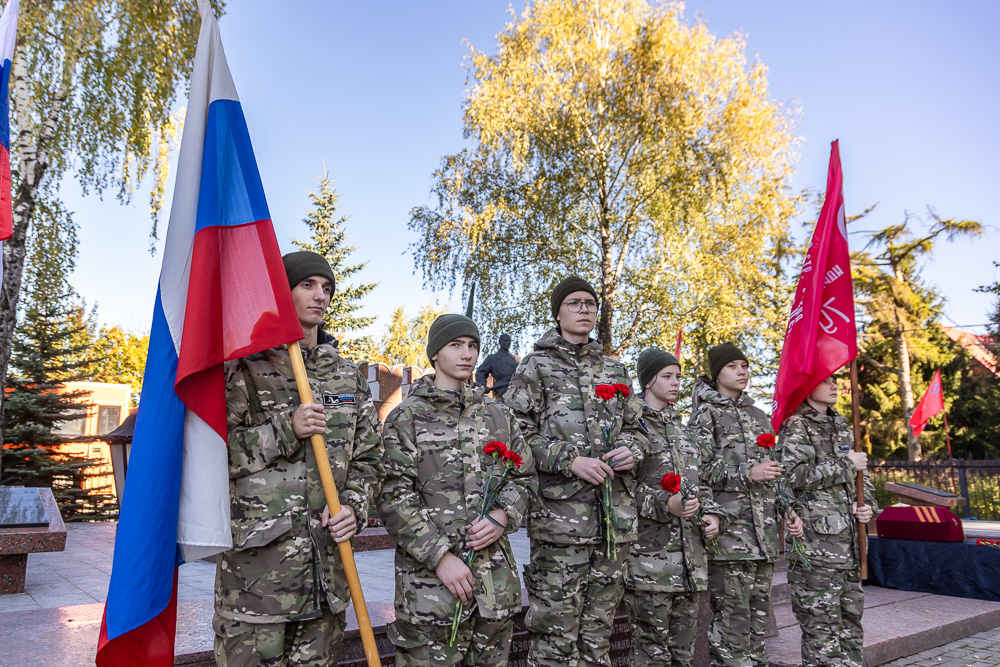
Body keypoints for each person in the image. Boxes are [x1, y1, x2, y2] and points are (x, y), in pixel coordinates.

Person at [214, 250, 385, 667]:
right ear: (282, 292)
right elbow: (213, 456)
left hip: (328, 580)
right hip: (258, 585)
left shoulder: (345, 376)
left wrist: (354, 507)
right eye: (307, 285)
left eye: (327, 288)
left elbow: (369, 459)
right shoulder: (243, 369)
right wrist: (284, 429)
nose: (320, 296)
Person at [505, 275, 649, 667]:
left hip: (613, 526)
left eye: (590, 303)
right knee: (555, 637)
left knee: (598, 636)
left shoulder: (615, 371)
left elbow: (639, 430)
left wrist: (632, 450)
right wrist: (569, 460)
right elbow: (515, 435)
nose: (584, 309)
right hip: (560, 524)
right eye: (574, 303)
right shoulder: (536, 366)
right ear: (558, 313)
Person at [379, 314, 536, 666]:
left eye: (472, 345)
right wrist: (439, 556)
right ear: (435, 353)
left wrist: (503, 514)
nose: (467, 353)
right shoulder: (407, 417)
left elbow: (525, 477)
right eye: (456, 344)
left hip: (494, 591)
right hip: (431, 596)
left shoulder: (498, 415)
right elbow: (392, 496)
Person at [687, 342, 803, 667]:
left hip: (764, 537)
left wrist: (787, 509)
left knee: (757, 628)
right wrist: (746, 473)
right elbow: (696, 471)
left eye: (745, 366)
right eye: (732, 366)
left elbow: (773, 471)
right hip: (730, 538)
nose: (741, 372)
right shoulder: (705, 415)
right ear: (717, 374)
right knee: (731, 626)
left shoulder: (758, 416)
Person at [626, 348, 723, 667]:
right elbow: (622, 490)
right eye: (666, 376)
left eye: (678, 376)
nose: (675, 382)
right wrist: (664, 502)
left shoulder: (684, 431)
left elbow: (700, 481)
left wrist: (710, 512)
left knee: (684, 653)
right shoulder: (632, 427)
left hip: (690, 563)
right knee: (651, 653)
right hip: (651, 563)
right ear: (647, 381)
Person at [778, 374, 876, 667]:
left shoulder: (843, 426)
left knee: (851, 628)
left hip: (850, 547)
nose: (834, 386)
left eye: (835, 380)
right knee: (822, 632)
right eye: (825, 381)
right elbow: (792, 475)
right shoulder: (797, 425)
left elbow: (862, 478)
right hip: (816, 548)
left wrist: (867, 506)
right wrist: (846, 464)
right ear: (808, 387)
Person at [475, 333, 519, 400]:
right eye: (505, 341)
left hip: (516, 391)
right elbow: (480, 373)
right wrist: (483, 386)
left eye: (509, 341)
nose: (508, 343)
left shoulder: (515, 359)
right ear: (500, 342)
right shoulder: (493, 358)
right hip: (501, 391)